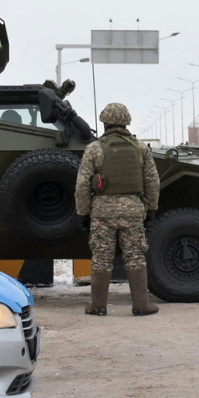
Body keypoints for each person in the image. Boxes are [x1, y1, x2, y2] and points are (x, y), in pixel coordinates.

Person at [74, 102, 161, 316]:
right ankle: (141, 305)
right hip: (133, 211)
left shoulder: (95, 149)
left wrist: (83, 214)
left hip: (102, 213)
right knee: (135, 256)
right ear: (127, 122)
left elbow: (82, 185)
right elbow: (153, 182)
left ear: (104, 122)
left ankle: (98, 305)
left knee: (102, 258)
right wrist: (151, 210)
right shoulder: (141, 148)